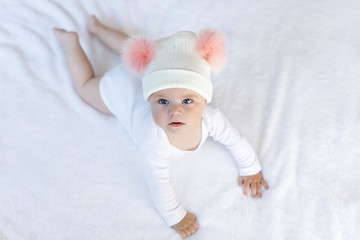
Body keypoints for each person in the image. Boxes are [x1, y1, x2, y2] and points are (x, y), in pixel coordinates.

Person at [53, 15, 269, 239]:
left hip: (151, 72)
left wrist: (250, 166)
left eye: (187, 101)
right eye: (163, 102)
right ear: (150, 101)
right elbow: (159, 185)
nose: (174, 111)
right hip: (121, 90)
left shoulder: (211, 118)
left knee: (134, 52)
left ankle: (99, 29)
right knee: (86, 86)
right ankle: (71, 43)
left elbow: (235, 139)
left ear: (205, 100)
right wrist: (175, 216)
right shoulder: (154, 140)